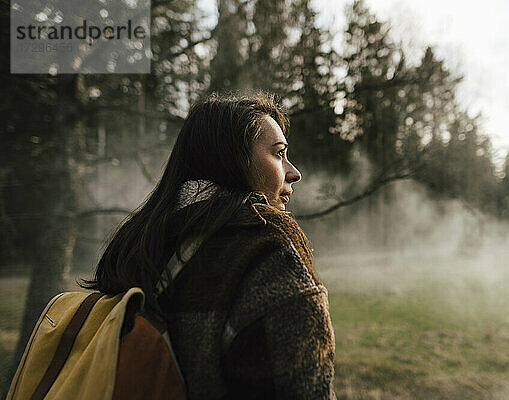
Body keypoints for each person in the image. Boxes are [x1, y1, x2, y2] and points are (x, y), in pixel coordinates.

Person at [81, 92, 337, 399]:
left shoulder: (135, 248)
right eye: (278, 153)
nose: (293, 172)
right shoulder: (267, 247)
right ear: (232, 162)